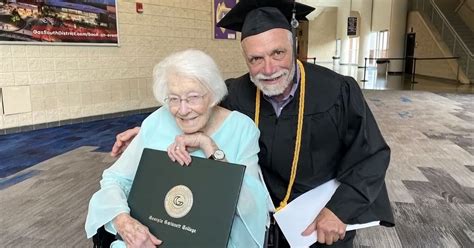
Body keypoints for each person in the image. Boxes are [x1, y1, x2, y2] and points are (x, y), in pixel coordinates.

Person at [111, 0, 395, 247]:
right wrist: (148, 132)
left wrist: (340, 211)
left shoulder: (337, 91)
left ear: (294, 46)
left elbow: (371, 155)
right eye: (256, 59)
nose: (269, 69)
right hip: (260, 222)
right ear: (245, 58)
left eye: (278, 53)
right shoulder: (235, 93)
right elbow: (193, 109)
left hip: (322, 223)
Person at [86, 49, 272, 248]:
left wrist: (208, 145)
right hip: (152, 238)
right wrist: (123, 223)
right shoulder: (157, 120)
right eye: (174, 99)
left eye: (193, 97)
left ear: (213, 95)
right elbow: (115, 179)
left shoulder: (242, 129)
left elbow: (252, 206)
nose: (182, 110)